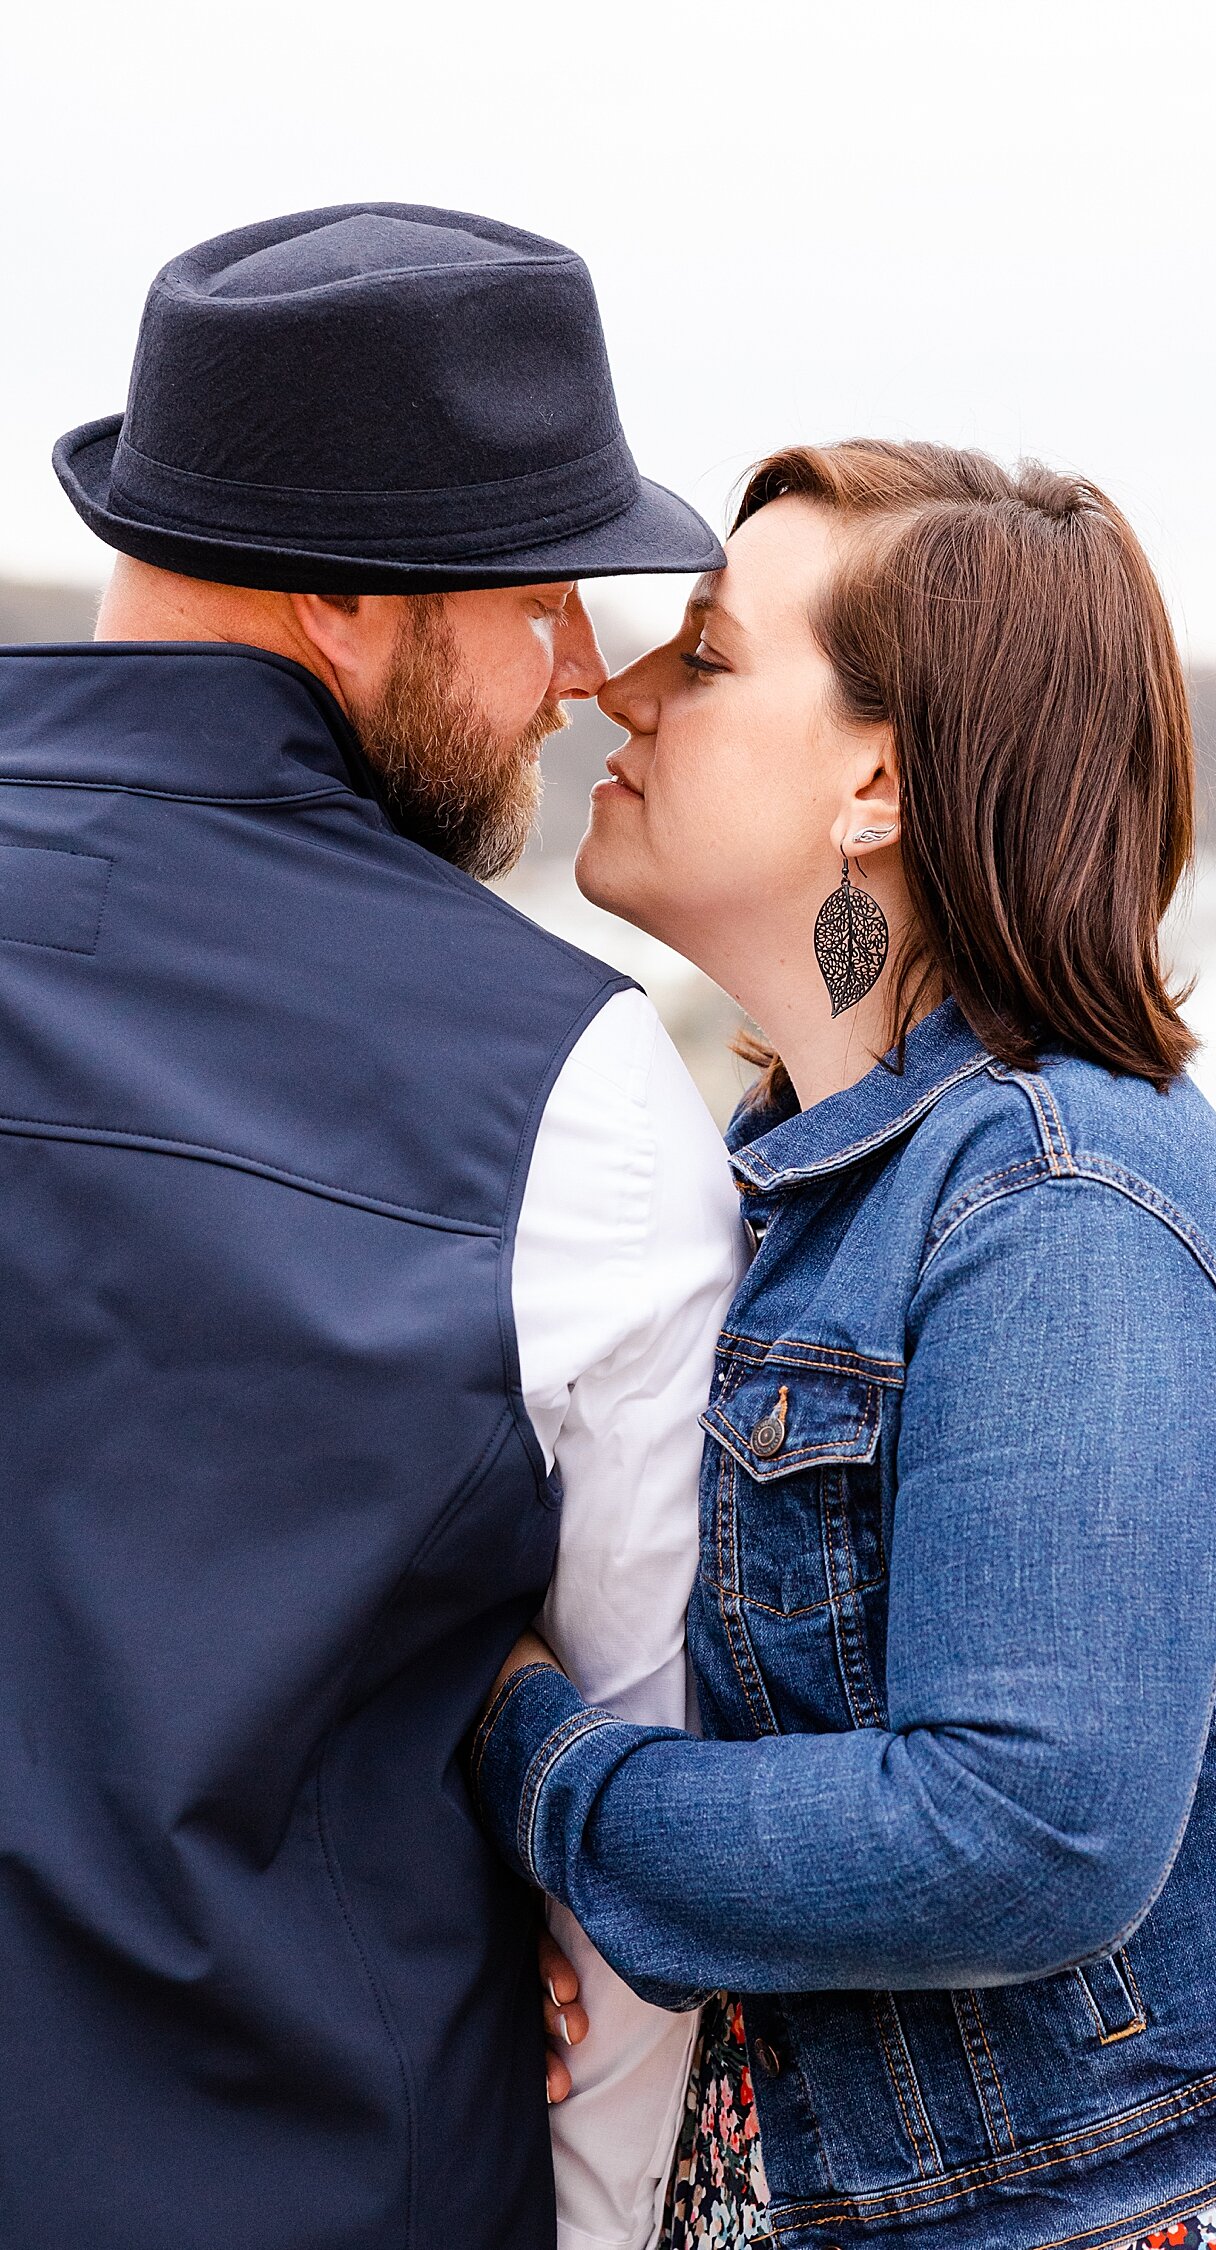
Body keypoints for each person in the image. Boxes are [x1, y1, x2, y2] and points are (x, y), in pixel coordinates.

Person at [473, 441, 1216, 2250]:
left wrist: (542, 1775)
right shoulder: (802, 1192)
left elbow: (1027, 1831)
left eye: (705, 658)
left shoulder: (1064, 1200)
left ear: (874, 778)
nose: (618, 687)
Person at [0, 204, 745, 2250]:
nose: (575, 679)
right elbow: (639, 1861)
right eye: (534, 605)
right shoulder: (569, 1095)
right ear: (347, 598)